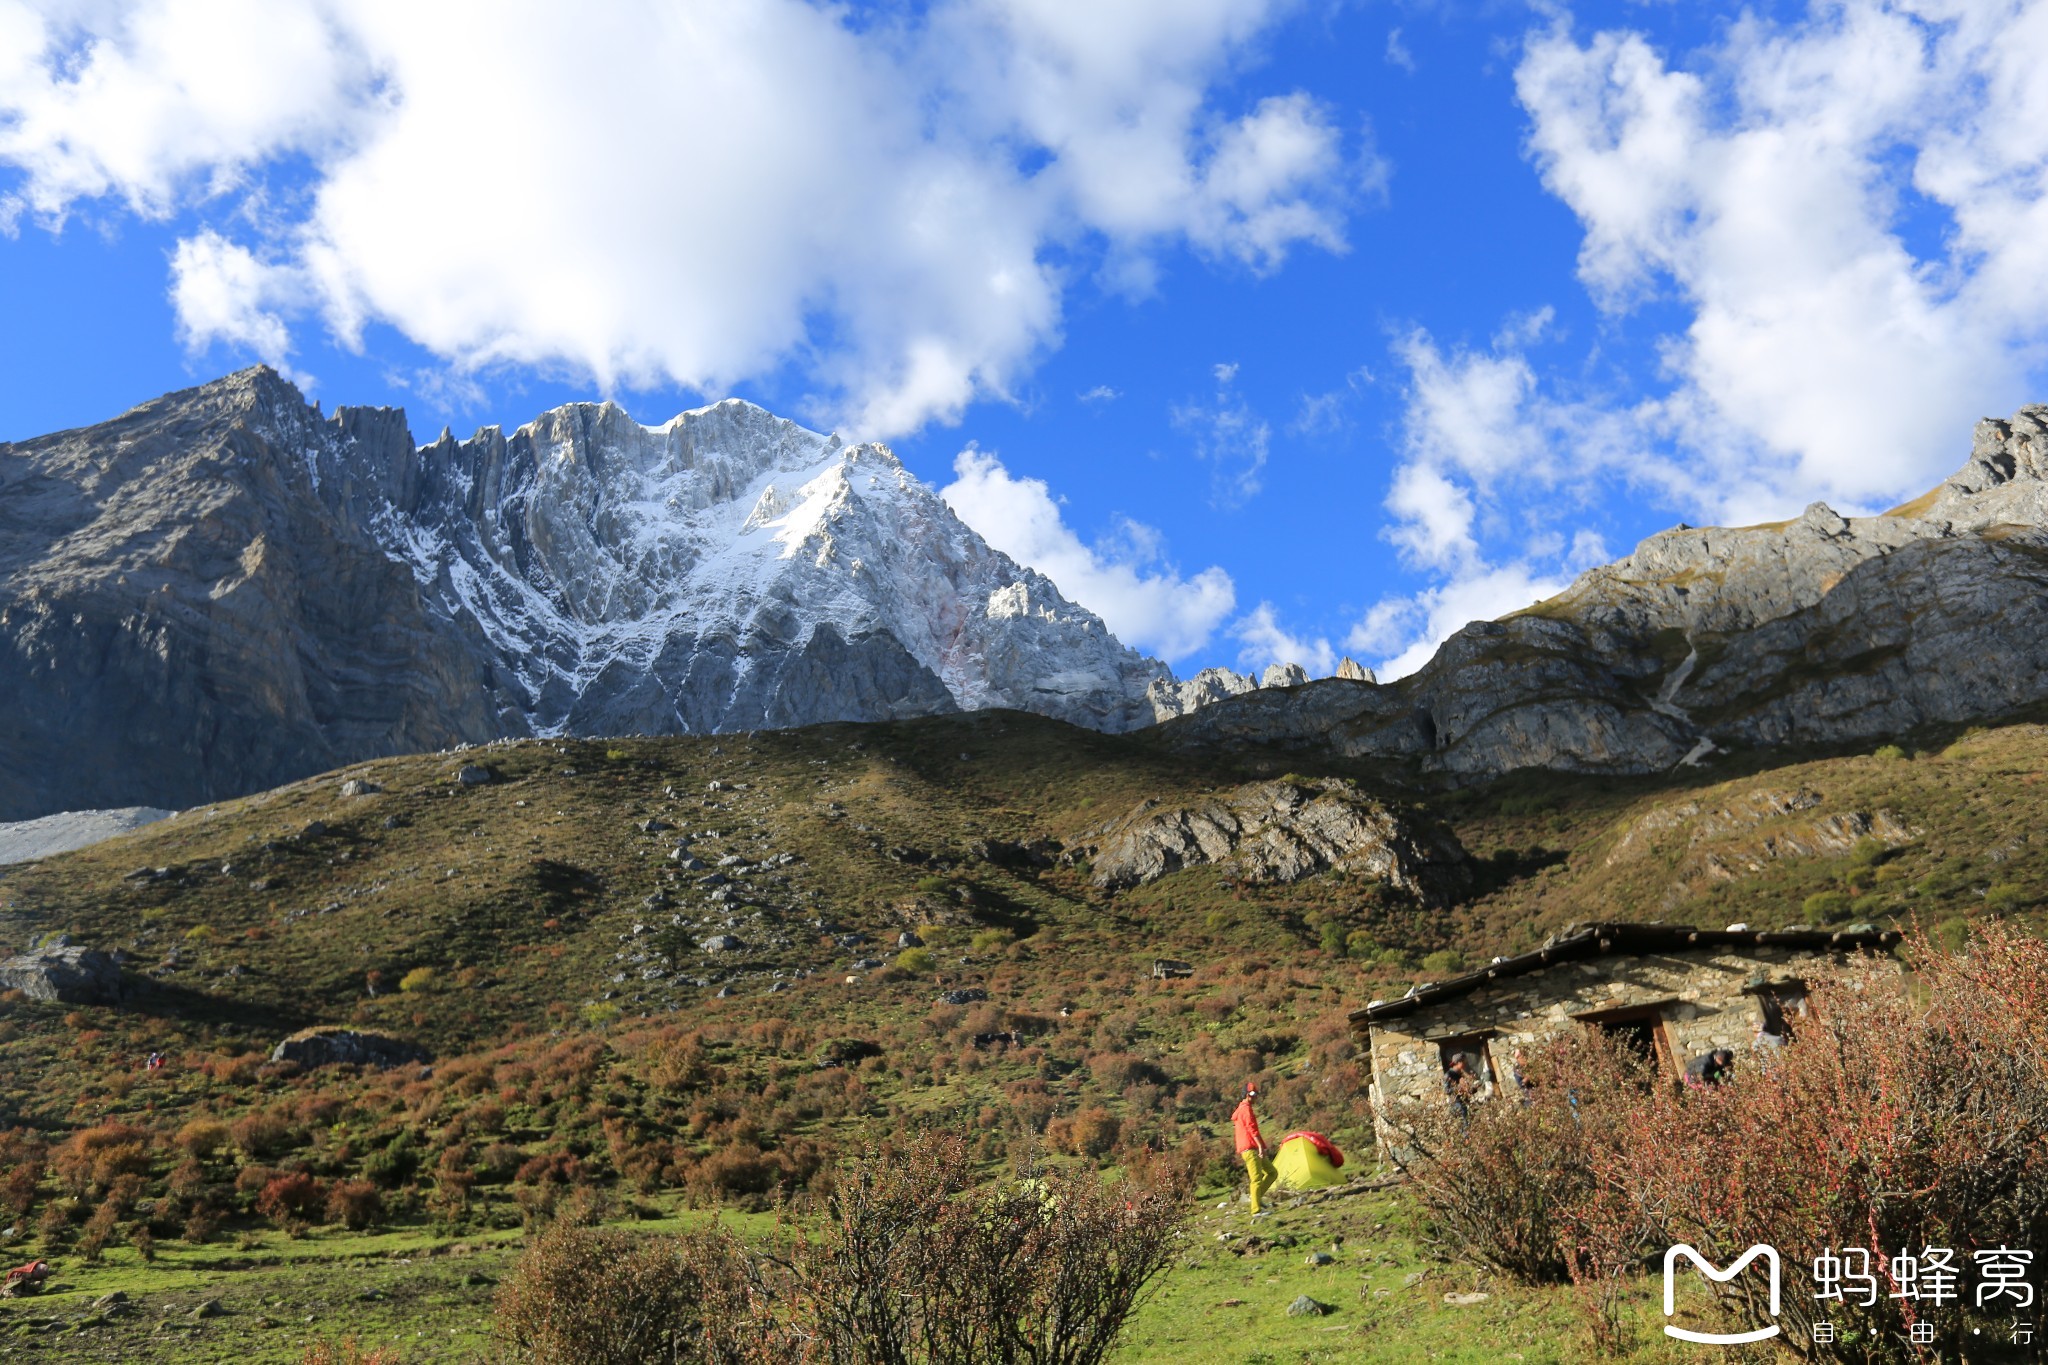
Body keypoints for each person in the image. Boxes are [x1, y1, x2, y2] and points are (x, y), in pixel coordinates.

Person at [1231, 1081, 1275, 1217]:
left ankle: (1256, 1198)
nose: (1255, 1097)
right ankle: (1255, 1210)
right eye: (1252, 1094)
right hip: (1250, 1149)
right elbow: (1252, 1129)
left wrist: (1261, 1146)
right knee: (1256, 1179)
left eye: (1256, 1094)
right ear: (1246, 1095)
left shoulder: (1242, 1108)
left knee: (1272, 1172)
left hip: (1252, 1148)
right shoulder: (1246, 1109)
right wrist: (1261, 1146)